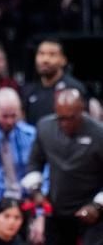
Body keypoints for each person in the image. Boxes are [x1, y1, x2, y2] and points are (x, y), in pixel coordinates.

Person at [22, 89, 103, 245]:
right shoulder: (45, 127)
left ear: (82, 111)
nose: (64, 123)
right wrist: (36, 191)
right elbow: (34, 162)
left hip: (92, 211)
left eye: (70, 118)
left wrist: (97, 206)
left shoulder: (99, 135)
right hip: (56, 209)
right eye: (60, 118)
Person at [22, 39, 86, 125]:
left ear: (63, 60)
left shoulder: (73, 88)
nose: (45, 59)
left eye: (52, 54)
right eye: (41, 54)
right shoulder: (28, 91)